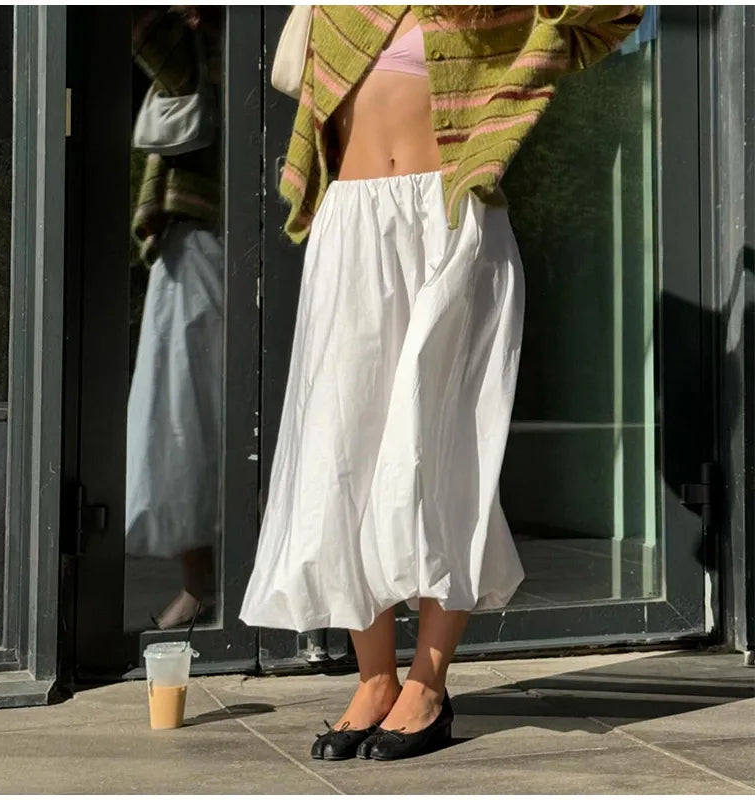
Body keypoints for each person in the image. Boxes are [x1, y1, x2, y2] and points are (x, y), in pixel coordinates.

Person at [240, 4, 643, 761]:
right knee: (341, 454)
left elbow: (614, 14)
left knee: (439, 450)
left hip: (449, 220)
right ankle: (374, 678)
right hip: (351, 225)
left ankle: (428, 682)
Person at [125, 6, 223, 630]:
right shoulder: (189, 48)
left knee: (243, 419)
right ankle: (201, 585)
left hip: (274, 235)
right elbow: (143, 31)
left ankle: (222, 588)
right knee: (181, 418)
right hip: (197, 243)